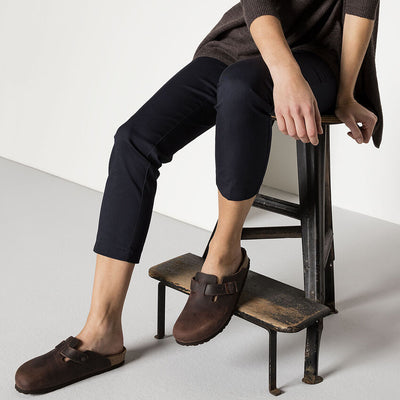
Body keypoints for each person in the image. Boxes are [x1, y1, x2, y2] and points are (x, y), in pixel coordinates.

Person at [14, 0, 382, 394]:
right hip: (245, 42)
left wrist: (345, 94)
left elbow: (361, 7)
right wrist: (283, 70)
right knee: (134, 141)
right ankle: (101, 330)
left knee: (242, 86)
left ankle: (225, 253)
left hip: (321, 58)